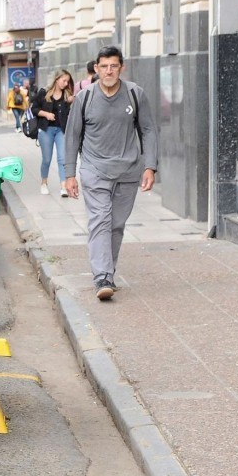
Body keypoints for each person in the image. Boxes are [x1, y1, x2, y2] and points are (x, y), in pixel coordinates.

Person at [63, 46, 158, 302]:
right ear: (96, 68)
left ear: (121, 68)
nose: (108, 71)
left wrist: (150, 166)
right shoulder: (85, 98)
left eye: (113, 66)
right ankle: (102, 277)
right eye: (103, 66)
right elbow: (72, 135)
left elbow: (148, 130)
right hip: (94, 170)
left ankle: (108, 272)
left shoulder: (135, 95)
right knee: (100, 221)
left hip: (128, 171)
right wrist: (69, 173)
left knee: (116, 225)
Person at [31, 69, 74, 196]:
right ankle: (44, 183)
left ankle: (63, 186)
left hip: (61, 130)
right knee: (47, 159)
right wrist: (46, 114)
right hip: (46, 130)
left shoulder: (67, 95)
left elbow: (69, 114)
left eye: (67, 81)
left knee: (62, 158)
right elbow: (34, 109)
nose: (66, 83)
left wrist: (71, 102)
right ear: (57, 79)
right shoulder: (44, 92)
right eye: (64, 80)